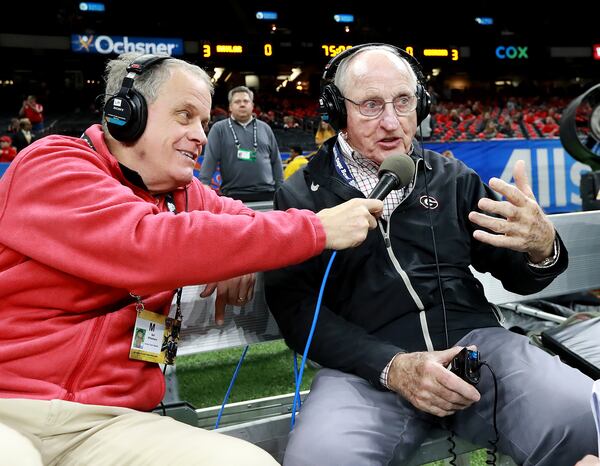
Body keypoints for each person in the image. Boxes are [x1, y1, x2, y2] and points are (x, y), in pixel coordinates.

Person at [0, 52, 384, 466]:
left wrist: (238, 258)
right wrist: (318, 229)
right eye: (185, 116)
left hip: (113, 425)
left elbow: (245, 225)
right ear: (126, 113)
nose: (201, 135)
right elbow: (146, 246)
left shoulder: (186, 196)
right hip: (10, 409)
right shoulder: (52, 162)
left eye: (203, 122)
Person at [264, 43, 596, 466]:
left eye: (403, 101)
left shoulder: (452, 177)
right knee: (322, 459)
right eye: (370, 105)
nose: (391, 121)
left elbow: (517, 276)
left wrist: (541, 246)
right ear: (335, 111)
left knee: (587, 418)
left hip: (476, 350)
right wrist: (392, 366)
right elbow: (297, 311)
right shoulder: (298, 195)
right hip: (368, 368)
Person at [199, 85, 283, 202]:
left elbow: (276, 161)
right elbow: (210, 159)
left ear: (252, 105)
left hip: (267, 193)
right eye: (237, 101)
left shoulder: (265, 128)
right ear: (230, 107)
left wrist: (280, 189)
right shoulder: (219, 129)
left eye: (246, 101)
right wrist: (204, 184)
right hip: (233, 195)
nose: (242, 104)